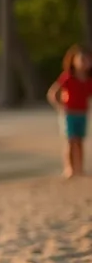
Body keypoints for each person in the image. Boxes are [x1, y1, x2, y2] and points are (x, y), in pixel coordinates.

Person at [46, 44, 92, 178]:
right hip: (69, 113)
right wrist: (60, 106)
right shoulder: (68, 77)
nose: (84, 63)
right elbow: (53, 93)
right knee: (70, 141)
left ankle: (80, 168)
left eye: (87, 60)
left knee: (80, 141)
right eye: (82, 59)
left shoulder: (89, 80)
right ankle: (69, 168)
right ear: (74, 61)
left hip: (82, 113)